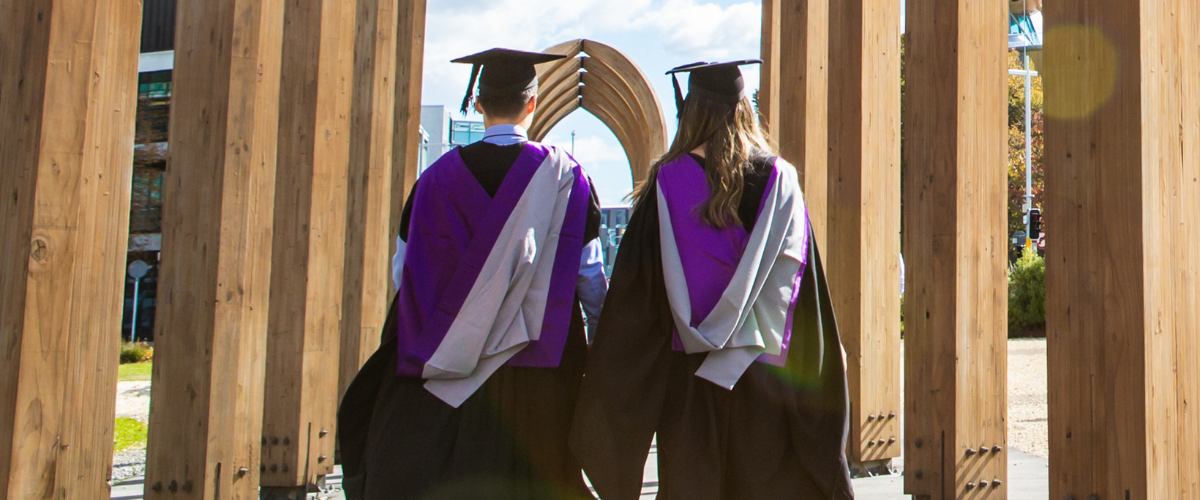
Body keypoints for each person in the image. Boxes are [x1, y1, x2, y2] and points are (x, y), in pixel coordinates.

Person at [570, 60, 854, 500]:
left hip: (690, 386)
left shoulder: (664, 186)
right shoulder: (781, 184)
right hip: (766, 384)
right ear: (744, 109)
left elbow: (635, 307)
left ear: (691, 111)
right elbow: (805, 296)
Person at [338, 48, 607, 500]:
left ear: (478, 104)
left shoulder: (435, 180)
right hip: (541, 372)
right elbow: (591, 279)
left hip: (453, 370)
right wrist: (599, 344)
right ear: (534, 103)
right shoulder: (566, 177)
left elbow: (405, 274)